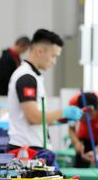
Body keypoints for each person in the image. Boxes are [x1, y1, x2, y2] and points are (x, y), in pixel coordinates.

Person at [7, 29, 82, 161]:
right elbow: (33, 117)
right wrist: (63, 112)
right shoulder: (26, 78)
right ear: (40, 51)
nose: (54, 61)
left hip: (34, 148)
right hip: (27, 151)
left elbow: (38, 118)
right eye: (53, 56)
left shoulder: (34, 76)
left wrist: (60, 120)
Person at [67, 92, 98, 167]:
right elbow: (71, 128)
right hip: (84, 136)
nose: (88, 119)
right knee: (80, 164)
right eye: (84, 115)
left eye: (91, 115)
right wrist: (77, 143)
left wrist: (96, 151)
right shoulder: (73, 105)